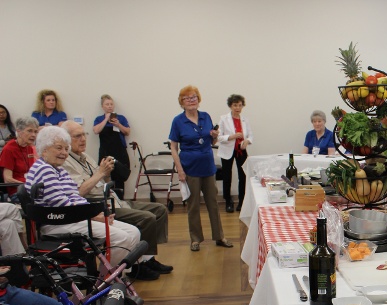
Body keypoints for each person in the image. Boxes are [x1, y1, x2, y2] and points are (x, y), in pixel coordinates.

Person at [62, 121, 171, 280]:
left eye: (84, 135)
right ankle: (137, 265)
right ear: (66, 140)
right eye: (77, 136)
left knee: (160, 210)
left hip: (114, 198)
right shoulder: (66, 162)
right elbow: (79, 192)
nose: (83, 139)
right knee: (147, 218)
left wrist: (106, 173)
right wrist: (100, 173)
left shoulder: (85, 157)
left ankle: (147, 258)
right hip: (100, 205)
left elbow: (103, 181)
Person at [24, 126, 141, 267]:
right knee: (121, 238)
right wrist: (93, 216)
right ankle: (107, 280)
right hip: (56, 222)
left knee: (133, 232)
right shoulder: (45, 169)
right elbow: (61, 205)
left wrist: (96, 214)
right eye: (59, 148)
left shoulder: (58, 169)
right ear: (44, 149)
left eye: (66, 149)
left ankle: (113, 276)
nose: (64, 153)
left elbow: (75, 196)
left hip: (71, 218)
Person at [169, 85, 232, 252]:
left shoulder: (205, 117)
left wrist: (214, 137)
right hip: (190, 168)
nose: (191, 100)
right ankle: (195, 239)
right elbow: (173, 147)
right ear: (181, 102)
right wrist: (180, 170)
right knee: (193, 205)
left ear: (199, 99)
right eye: (187, 98)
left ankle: (219, 236)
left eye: (194, 97)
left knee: (213, 203)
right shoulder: (178, 121)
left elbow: (211, 143)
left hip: (208, 167)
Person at [218, 94, 253, 213]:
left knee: (243, 176)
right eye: (235, 105)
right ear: (230, 106)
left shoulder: (245, 119)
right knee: (227, 177)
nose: (237, 108)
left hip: (241, 150)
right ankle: (228, 201)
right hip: (227, 150)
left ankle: (242, 201)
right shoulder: (223, 118)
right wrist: (232, 136)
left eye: (240, 105)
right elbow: (219, 137)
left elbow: (250, 136)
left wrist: (247, 141)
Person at [92, 95, 132, 199]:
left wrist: (118, 124)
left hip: (119, 152)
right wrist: (106, 120)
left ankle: (120, 199)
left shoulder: (121, 118)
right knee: (105, 176)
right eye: (107, 104)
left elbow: (127, 132)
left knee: (120, 177)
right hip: (105, 152)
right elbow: (96, 131)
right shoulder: (99, 119)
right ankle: (108, 199)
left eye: (111, 104)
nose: (110, 106)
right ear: (102, 106)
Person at [0, 117, 39, 195]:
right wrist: (27, 186)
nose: (34, 135)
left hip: (32, 189)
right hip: (18, 192)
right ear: (19, 131)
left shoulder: (30, 147)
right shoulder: (9, 149)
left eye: (35, 132)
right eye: (29, 131)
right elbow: (8, 179)